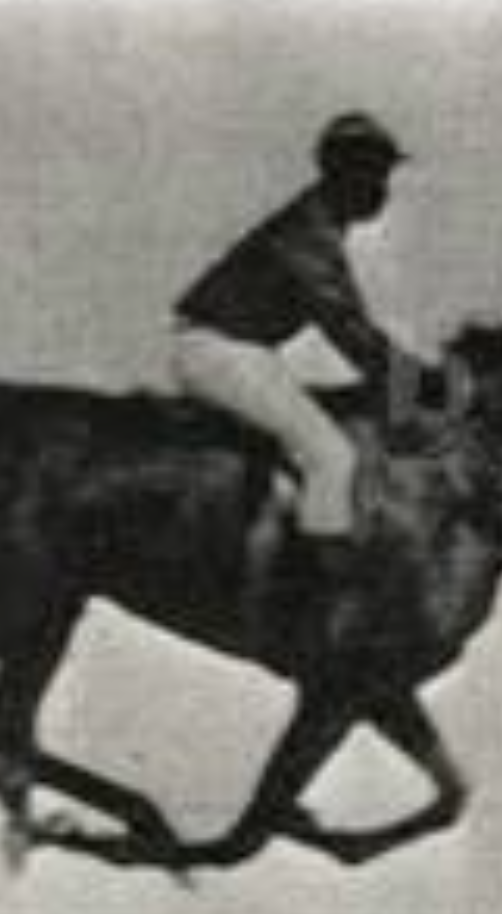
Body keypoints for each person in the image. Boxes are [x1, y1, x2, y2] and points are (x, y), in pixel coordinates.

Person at [171, 112, 433, 573]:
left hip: (236, 351)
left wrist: (403, 377)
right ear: (340, 172)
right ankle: (317, 588)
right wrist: (414, 381)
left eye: (384, 173)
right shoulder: (307, 238)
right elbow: (350, 330)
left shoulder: (317, 225)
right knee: (333, 456)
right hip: (221, 352)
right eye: (372, 172)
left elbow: (355, 333)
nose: (381, 186)